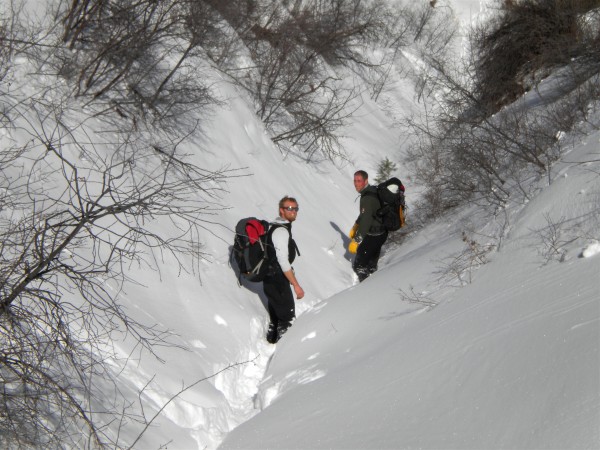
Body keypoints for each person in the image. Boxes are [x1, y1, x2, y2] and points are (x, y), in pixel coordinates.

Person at [264, 196, 305, 343]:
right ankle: (285, 356)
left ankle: (272, 341)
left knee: (277, 316)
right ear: (281, 210)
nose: (293, 211)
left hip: (270, 278)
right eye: (289, 208)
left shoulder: (274, 226)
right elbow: (282, 261)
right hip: (277, 279)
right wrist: (296, 285)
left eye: (295, 208)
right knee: (287, 320)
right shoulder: (281, 231)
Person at [348, 170, 388, 282]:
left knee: (359, 265)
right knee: (371, 264)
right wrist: (356, 224)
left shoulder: (367, 198)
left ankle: (366, 289)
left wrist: (357, 240)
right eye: (355, 180)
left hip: (374, 234)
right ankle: (373, 276)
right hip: (382, 232)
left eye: (359, 181)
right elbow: (367, 213)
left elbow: (366, 220)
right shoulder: (373, 190)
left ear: (366, 181)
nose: (356, 183)